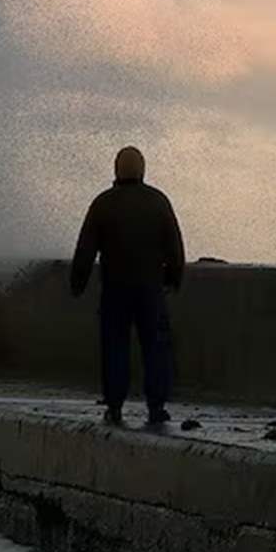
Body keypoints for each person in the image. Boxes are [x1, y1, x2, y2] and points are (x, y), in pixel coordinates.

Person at [69, 146, 185, 427]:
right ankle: (156, 407)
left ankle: (115, 406)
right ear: (142, 170)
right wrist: (174, 278)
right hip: (150, 290)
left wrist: (77, 283)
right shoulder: (158, 201)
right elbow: (175, 247)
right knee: (155, 348)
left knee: (115, 348)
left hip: (115, 290)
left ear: (116, 170)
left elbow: (85, 250)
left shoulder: (104, 203)